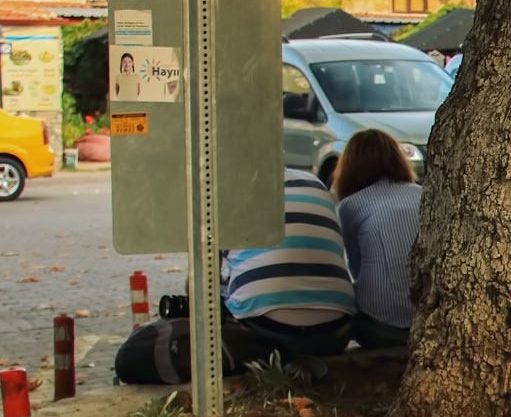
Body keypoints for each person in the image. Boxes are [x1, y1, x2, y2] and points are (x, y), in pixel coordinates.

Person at [113, 169, 356, 384]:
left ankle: (269, 354)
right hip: (336, 333)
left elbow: (198, 288)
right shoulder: (314, 183)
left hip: (268, 332)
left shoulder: (229, 191)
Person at [331, 129, 420, 348]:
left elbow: (355, 268)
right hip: (429, 319)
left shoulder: (350, 207)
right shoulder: (423, 194)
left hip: (383, 326)